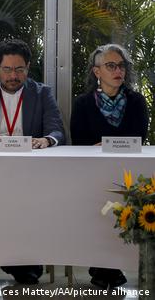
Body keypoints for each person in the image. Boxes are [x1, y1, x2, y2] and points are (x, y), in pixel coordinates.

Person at [0, 39, 65, 285]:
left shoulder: (43, 93)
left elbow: (57, 130)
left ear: (28, 68)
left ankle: (25, 264)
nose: (14, 75)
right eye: (8, 69)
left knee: (30, 204)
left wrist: (47, 141)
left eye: (20, 69)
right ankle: (17, 262)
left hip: (32, 169)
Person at [71, 43, 147, 289]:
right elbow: (79, 141)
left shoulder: (137, 102)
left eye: (121, 65)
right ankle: (103, 268)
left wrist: (104, 145)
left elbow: (138, 139)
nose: (118, 71)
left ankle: (117, 267)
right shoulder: (82, 103)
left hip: (130, 173)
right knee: (97, 215)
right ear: (97, 72)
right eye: (111, 66)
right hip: (93, 175)